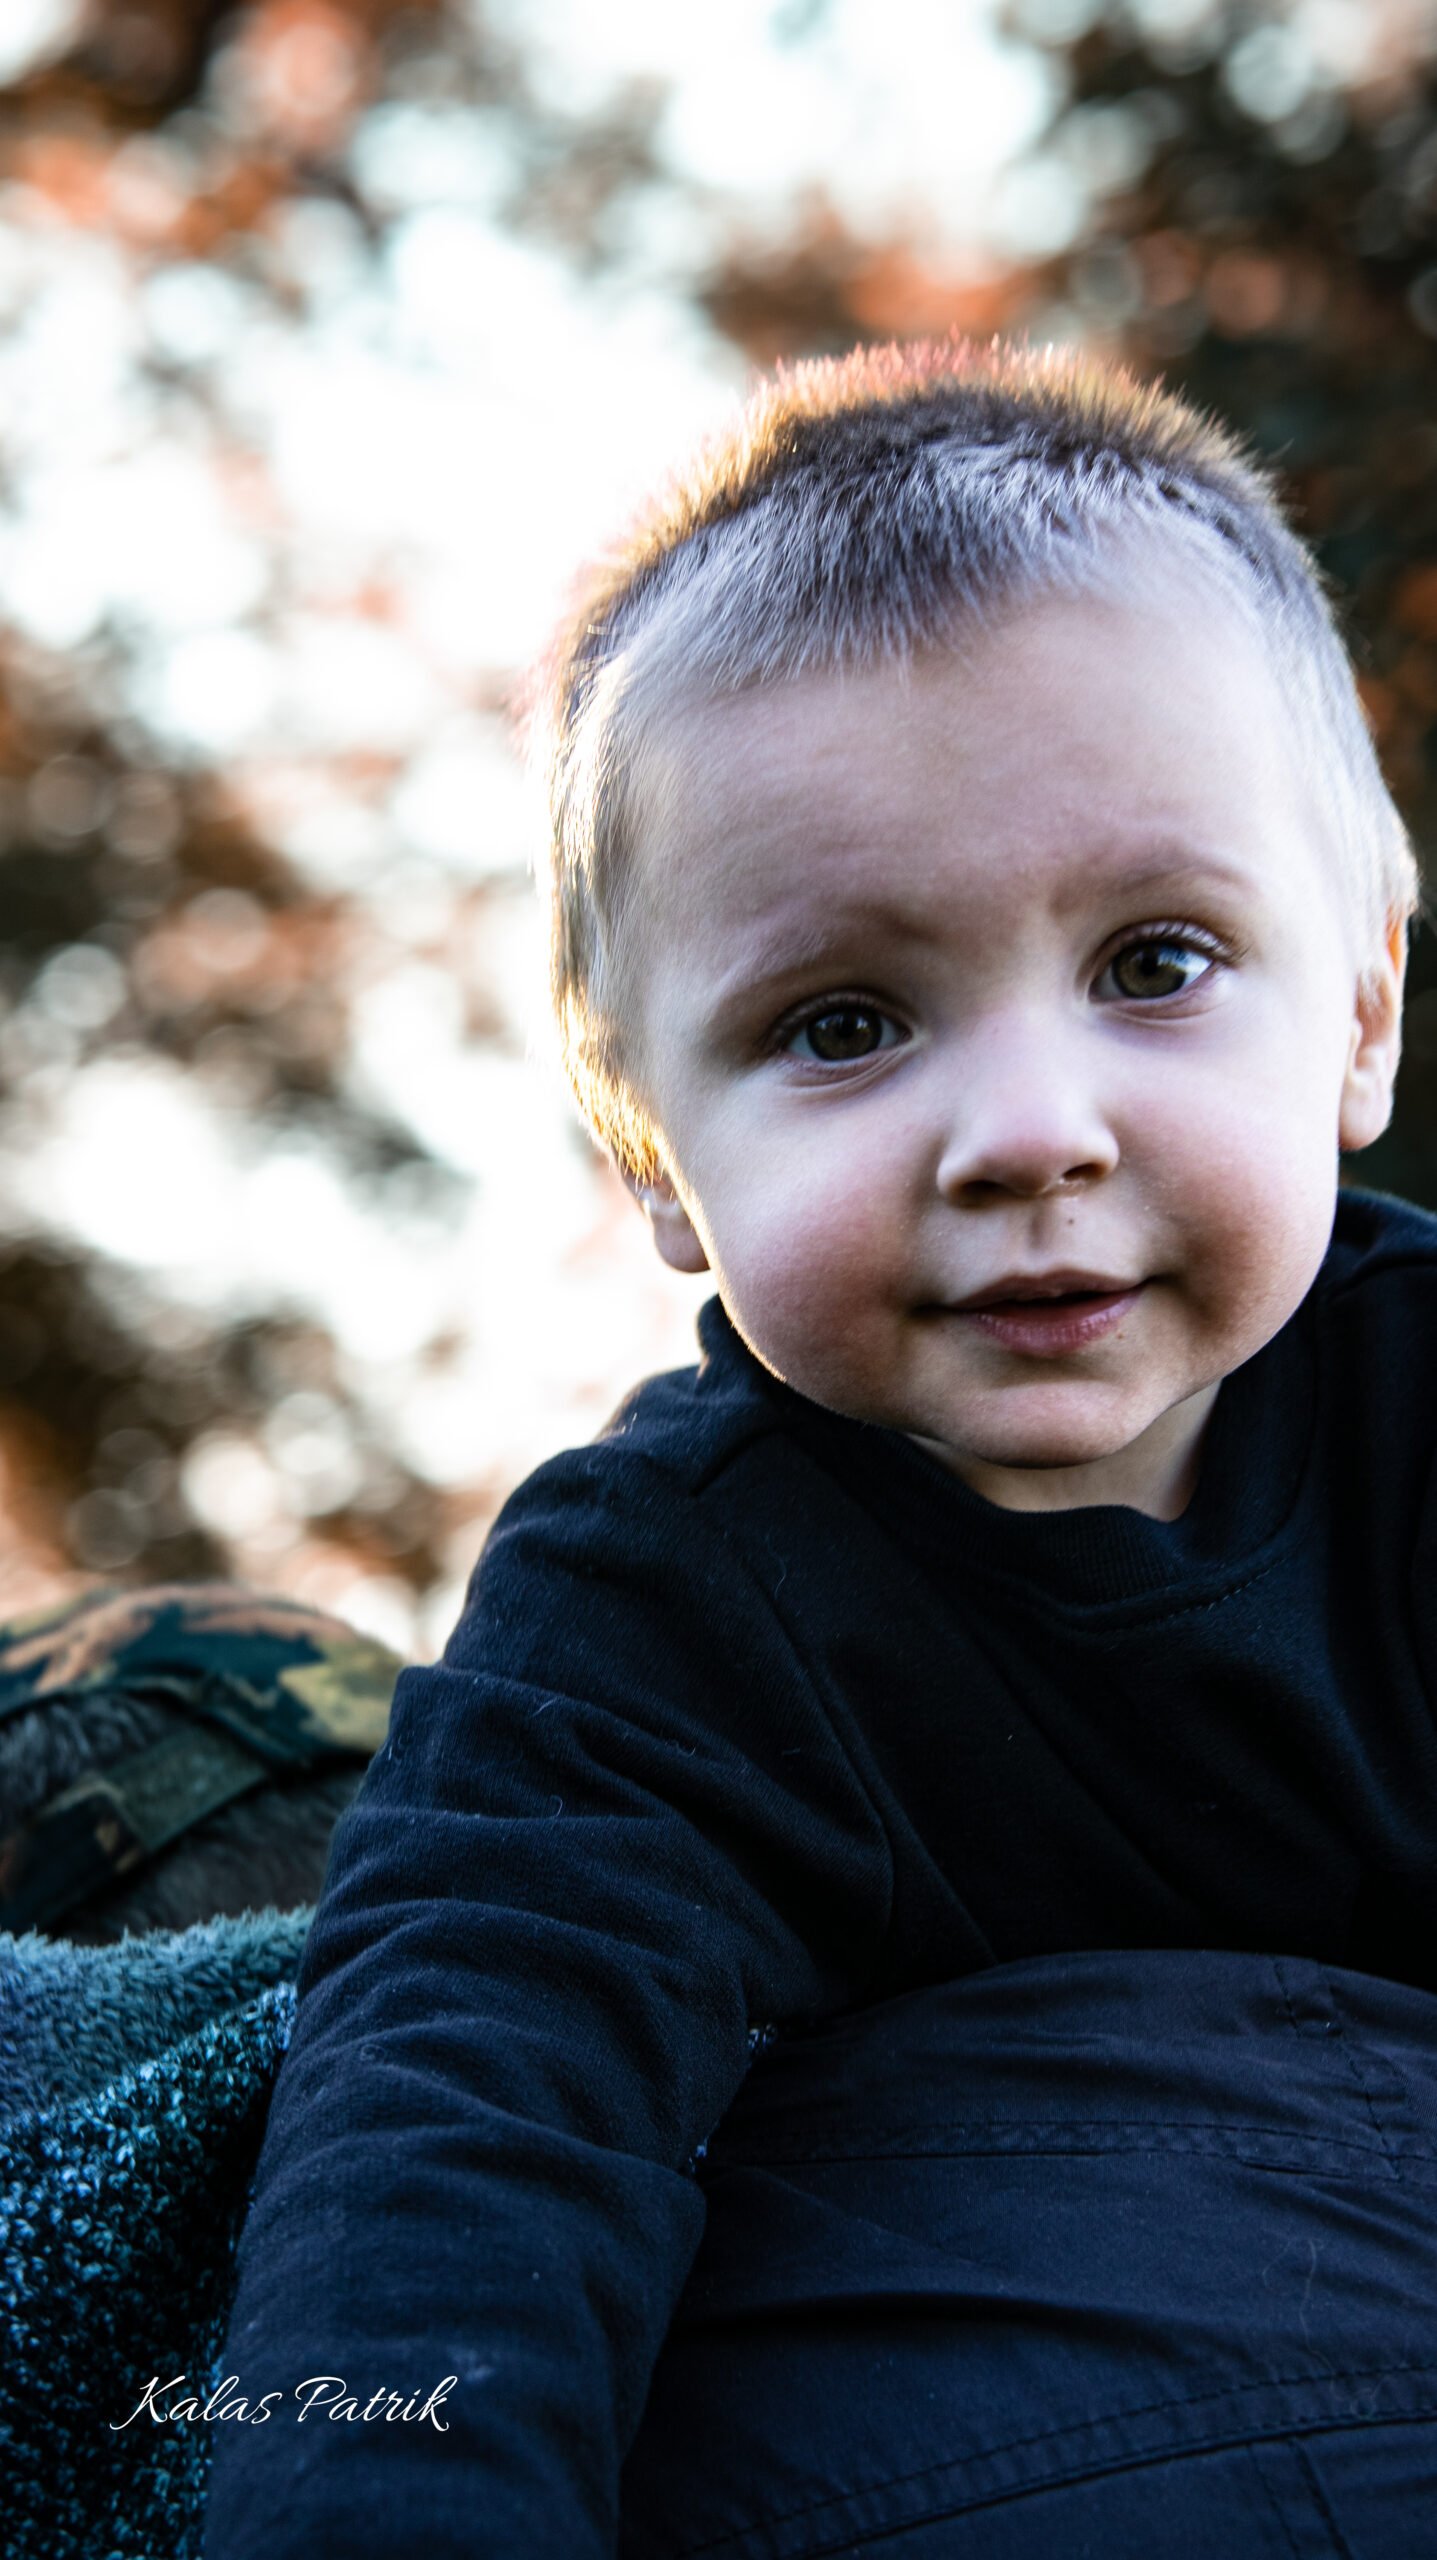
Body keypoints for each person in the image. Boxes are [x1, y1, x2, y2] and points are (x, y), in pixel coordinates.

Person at [199, 337, 1437, 2560]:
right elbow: (453, 2135)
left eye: (1156, 962)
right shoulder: (650, 1609)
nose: (1029, 1131)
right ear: (650, 1155)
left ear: (1355, 1011)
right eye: (843, 1022)